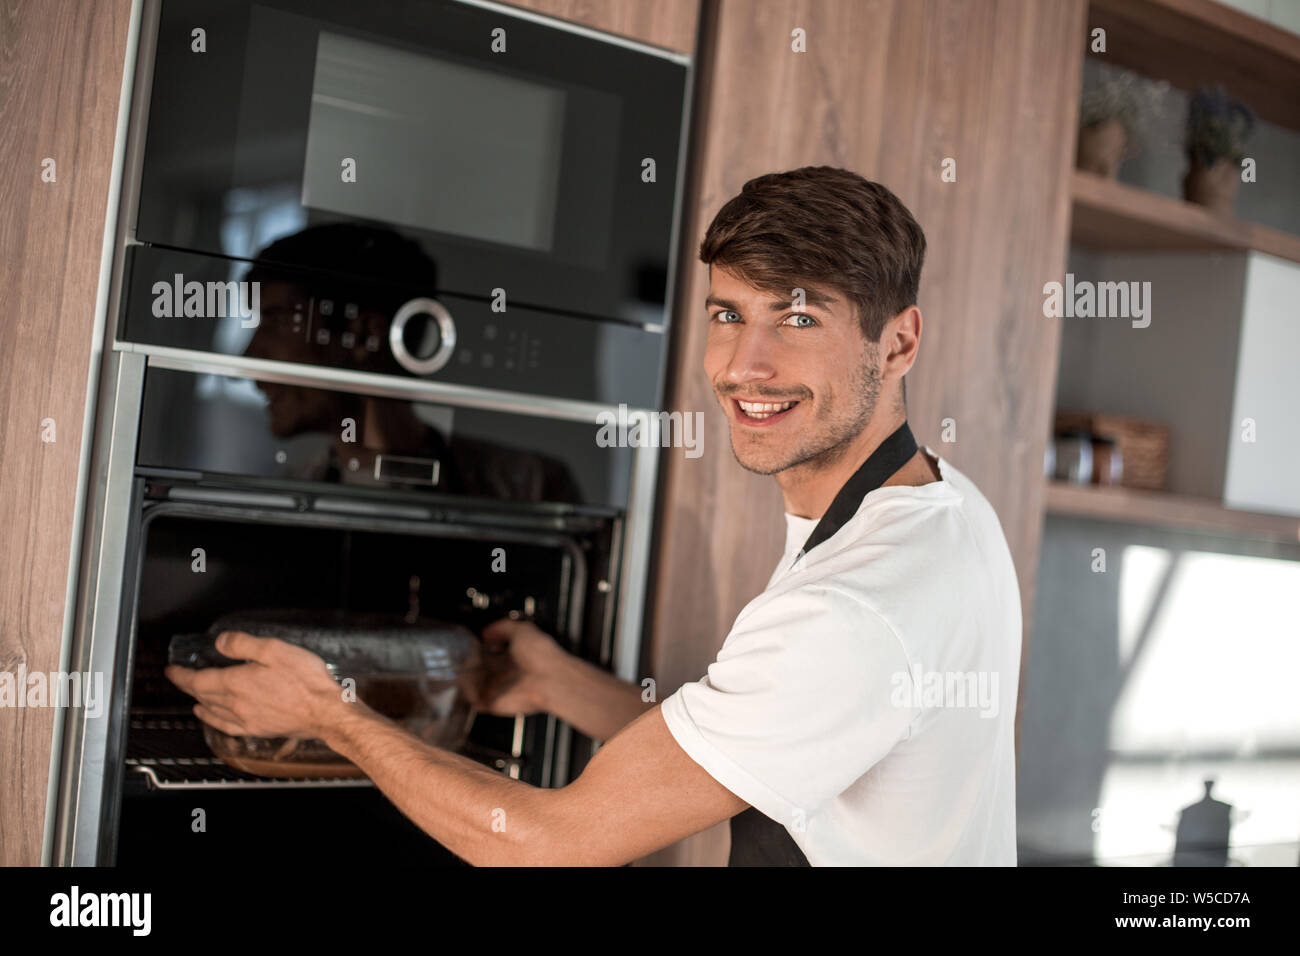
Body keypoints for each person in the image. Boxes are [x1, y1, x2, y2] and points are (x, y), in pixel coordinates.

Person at [167, 166, 1022, 866]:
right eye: (729, 315)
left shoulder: (848, 609)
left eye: (798, 318)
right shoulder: (944, 506)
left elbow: (547, 844)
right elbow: (764, 734)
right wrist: (563, 686)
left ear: (899, 342)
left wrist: (331, 716)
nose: (744, 366)